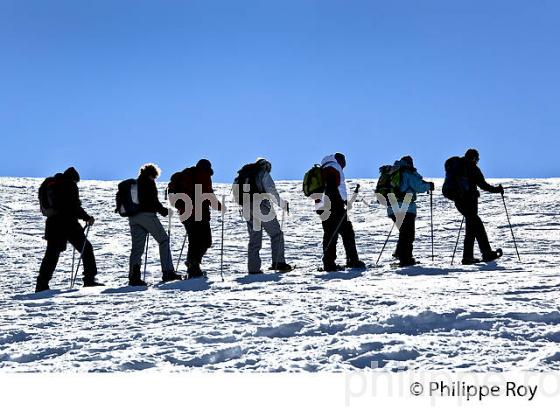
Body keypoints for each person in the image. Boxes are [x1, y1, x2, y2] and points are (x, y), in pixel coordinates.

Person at [36, 167, 103, 292]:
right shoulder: (69, 185)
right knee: (86, 248)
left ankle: (41, 284)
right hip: (68, 223)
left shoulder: (53, 183)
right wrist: (87, 218)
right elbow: (74, 206)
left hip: (53, 223)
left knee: (51, 255)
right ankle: (89, 279)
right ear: (74, 178)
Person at [235, 158, 292, 274]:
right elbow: (271, 191)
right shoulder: (262, 173)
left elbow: (236, 192)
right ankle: (279, 263)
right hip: (260, 205)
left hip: (246, 207)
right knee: (276, 234)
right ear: (265, 165)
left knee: (254, 238)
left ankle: (253, 269)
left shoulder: (244, 174)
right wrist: (282, 204)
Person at [128, 164, 181, 286]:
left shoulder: (135, 183)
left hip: (133, 217)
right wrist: (164, 211)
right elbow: (153, 200)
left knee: (137, 249)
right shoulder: (148, 182)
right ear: (153, 174)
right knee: (163, 240)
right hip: (146, 215)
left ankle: (133, 277)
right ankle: (168, 272)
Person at [449, 149, 504, 265]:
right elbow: (483, 185)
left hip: (460, 202)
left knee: (471, 228)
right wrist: (497, 190)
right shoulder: (473, 168)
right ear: (474, 158)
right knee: (478, 226)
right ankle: (486, 252)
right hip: (469, 202)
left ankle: (467, 257)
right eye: (477, 158)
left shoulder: (458, 167)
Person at [169, 159, 222, 278]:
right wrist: (220, 207)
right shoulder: (204, 175)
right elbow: (208, 194)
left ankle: (193, 265)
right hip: (198, 213)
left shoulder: (187, 174)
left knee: (194, 241)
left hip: (185, 213)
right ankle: (193, 265)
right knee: (205, 241)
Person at [316, 153, 366, 271]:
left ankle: (329, 263)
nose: (344, 166)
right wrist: (339, 202)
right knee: (346, 232)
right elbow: (334, 187)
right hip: (334, 205)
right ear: (340, 160)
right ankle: (351, 260)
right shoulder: (334, 167)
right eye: (344, 163)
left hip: (323, 206)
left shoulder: (323, 168)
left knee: (330, 233)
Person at [385, 156, 434, 267]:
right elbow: (418, 186)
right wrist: (429, 185)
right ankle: (405, 258)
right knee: (408, 234)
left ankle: (400, 254)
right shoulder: (407, 172)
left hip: (392, 207)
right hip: (405, 206)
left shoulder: (393, 172)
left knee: (404, 232)